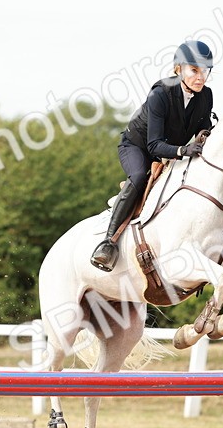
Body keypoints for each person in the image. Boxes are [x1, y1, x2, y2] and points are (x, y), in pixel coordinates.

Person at [89, 39, 216, 271]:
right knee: (138, 176)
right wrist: (183, 150)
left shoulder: (205, 96)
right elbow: (155, 145)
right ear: (179, 69)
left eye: (205, 71)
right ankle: (108, 243)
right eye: (194, 70)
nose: (201, 77)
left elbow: (203, 127)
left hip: (169, 152)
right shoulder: (161, 94)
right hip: (138, 147)